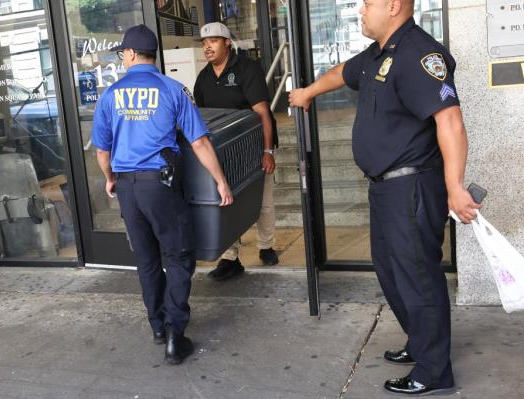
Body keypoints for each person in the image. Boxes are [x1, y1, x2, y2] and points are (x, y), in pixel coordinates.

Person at [289, 0, 480, 395]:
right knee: (391, 272)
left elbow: (450, 121)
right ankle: (420, 341)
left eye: (368, 2)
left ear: (393, 5)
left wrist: (455, 186)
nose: (360, 9)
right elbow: (342, 73)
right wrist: (308, 92)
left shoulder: (420, 54)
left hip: (412, 186)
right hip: (385, 188)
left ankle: (434, 371)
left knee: (417, 278)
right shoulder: (379, 54)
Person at [92, 24, 233, 365]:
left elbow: (102, 149)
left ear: (129, 55)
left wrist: (111, 178)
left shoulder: (110, 95)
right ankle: (175, 333)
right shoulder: (173, 89)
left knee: (147, 259)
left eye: (122, 54)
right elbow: (199, 141)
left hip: (128, 187)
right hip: (162, 185)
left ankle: (157, 326)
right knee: (179, 256)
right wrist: (221, 181)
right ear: (153, 56)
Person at [194, 22, 279, 281]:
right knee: (227, 201)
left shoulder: (246, 69)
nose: (208, 46)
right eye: (204, 42)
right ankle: (230, 257)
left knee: (262, 201)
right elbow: (203, 119)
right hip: (223, 151)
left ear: (227, 42)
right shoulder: (203, 79)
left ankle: (266, 246)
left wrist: (267, 150)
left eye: (214, 41)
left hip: (254, 146)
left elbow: (263, 112)